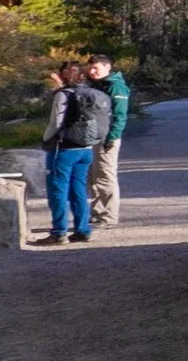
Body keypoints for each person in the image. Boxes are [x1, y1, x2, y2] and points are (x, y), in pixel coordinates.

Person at [40, 62, 110, 245]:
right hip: (86, 149)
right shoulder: (89, 93)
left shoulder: (63, 95)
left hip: (63, 149)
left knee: (58, 190)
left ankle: (59, 231)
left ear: (63, 76)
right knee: (79, 189)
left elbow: (56, 122)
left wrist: (46, 140)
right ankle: (83, 230)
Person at [85, 54, 131, 227]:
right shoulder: (96, 85)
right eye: (90, 68)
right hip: (92, 137)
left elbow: (120, 115)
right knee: (93, 177)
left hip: (107, 138)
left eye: (96, 68)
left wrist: (112, 137)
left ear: (107, 67)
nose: (92, 71)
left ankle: (109, 216)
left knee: (105, 176)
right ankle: (97, 213)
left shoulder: (116, 87)